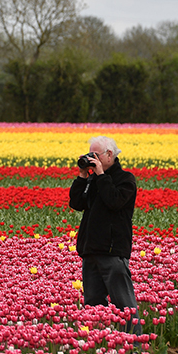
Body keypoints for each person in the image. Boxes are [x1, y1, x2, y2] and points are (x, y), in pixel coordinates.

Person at [68, 135, 142, 336]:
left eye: (96, 155)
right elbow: (76, 203)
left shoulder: (126, 180)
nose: (93, 159)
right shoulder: (92, 179)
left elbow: (114, 202)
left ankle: (134, 346)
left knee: (124, 304)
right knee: (92, 305)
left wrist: (100, 175)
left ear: (109, 155)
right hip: (91, 251)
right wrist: (83, 175)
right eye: (90, 155)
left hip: (112, 252)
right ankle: (97, 347)